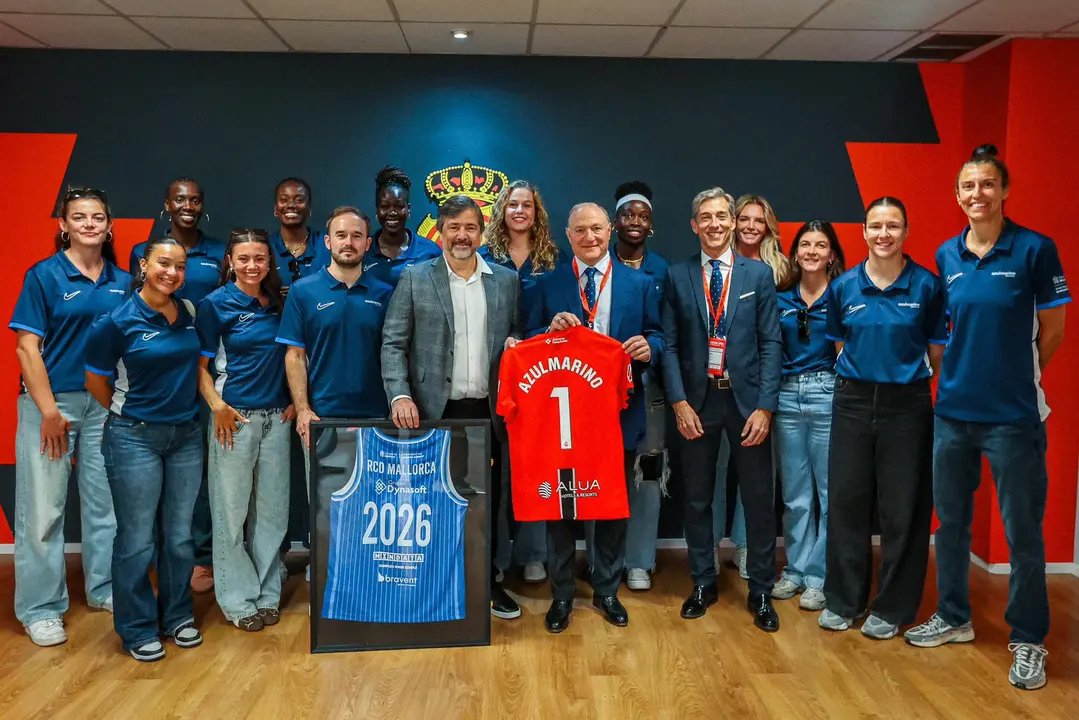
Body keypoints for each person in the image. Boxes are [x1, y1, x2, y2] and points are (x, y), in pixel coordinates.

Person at [905, 146, 1070, 691]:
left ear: (1004, 191)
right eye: (969, 186)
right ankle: (954, 618)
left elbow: (1053, 331)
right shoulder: (947, 254)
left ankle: (1028, 640)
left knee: (1023, 534)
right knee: (950, 526)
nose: (978, 194)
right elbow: (949, 333)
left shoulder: (1035, 250)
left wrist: (1017, 378)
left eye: (988, 185)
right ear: (958, 196)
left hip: (1014, 418)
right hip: (952, 412)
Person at [381, 195, 523, 621]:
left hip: (489, 412)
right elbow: (392, 343)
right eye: (453, 228)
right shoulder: (414, 278)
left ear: (482, 232)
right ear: (439, 232)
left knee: (489, 502)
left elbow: (514, 333)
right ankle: (436, 583)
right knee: (437, 501)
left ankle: (488, 582)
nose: (462, 235)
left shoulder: (505, 281)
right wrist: (399, 395)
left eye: (470, 227)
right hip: (433, 411)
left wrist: (516, 345)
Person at [526, 201, 663, 632]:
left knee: (610, 507)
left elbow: (659, 334)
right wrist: (546, 332)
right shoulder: (548, 285)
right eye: (580, 230)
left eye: (597, 229)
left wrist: (649, 347)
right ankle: (562, 595)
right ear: (568, 236)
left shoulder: (639, 283)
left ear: (610, 232)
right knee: (562, 509)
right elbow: (525, 337)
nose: (590, 237)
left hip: (617, 416)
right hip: (563, 419)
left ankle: (606, 590)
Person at [818, 196, 946, 640]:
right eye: (876, 226)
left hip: (906, 406)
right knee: (847, 504)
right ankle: (844, 599)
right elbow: (840, 348)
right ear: (864, 232)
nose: (884, 234)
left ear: (906, 232)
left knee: (902, 510)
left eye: (893, 226)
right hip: (852, 401)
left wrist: (900, 380)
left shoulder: (927, 286)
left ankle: (891, 607)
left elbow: (935, 353)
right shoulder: (844, 287)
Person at [9, 187, 130, 647]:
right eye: (78, 217)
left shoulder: (121, 280)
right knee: (44, 511)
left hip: (102, 406)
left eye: (97, 217)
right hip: (50, 406)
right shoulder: (44, 276)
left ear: (109, 226)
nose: (88, 224)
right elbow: (26, 348)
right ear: (63, 225)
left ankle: (103, 588)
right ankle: (40, 608)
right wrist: (48, 412)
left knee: (105, 506)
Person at [662, 187, 781, 632]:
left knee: (758, 500)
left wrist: (766, 408)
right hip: (698, 402)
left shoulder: (758, 275)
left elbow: (771, 343)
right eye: (704, 218)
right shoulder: (678, 275)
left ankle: (762, 591)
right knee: (696, 498)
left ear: (733, 222)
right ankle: (702, 582)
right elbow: (670, 346)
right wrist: (678, 402)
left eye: (721, 216)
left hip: (748, 403)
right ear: (694, 225)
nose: (713, 224)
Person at [85, 237, 205, 662]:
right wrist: (130, 413)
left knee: (178, 537)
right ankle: (136, 628)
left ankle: (176, 617)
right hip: (133, 437)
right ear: (143, 266)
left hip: (186, 437)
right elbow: (96, 381)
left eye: (179, 266)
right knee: (136, 539)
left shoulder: (188, 313)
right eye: (163, 264)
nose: (171, 273)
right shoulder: (116, 321)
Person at [129, 177, 225, 595]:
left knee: (198, 476)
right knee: (150, 480)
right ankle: (156, 558)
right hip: (154, 378)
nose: (188, 205)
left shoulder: (218, 252)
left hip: (201, 374)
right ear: (167, 205)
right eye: (180, 199)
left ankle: (200, 559)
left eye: (195, 200)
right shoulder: (144, 251)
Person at [196, 229, 294, 632]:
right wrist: (217, 406)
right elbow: (198, 368)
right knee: (231, 513)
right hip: (233, 421)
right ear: (230, 262)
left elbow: (293, 356)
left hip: (277, 420)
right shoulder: (214, 305)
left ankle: (268, 592)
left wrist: (293, 400)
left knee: (272, 514)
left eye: (260, 258)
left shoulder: (280, 303)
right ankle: (238, 599)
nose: (252, 265)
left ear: (269, 262)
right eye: (244, 259)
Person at [480, 179, 566, 584]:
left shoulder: (553, 259)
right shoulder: (483, 256)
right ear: (502, 210)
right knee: (496, 471)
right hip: (490, 374)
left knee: (535, 464)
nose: (519, 211)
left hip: (541, 378)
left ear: (537, 213)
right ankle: (494, 560)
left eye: (527, 205)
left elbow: (560, 319)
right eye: (512, 204)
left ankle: (533, 552)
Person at [770, 221, 845, 612]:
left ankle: (819, 576)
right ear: (795, 252)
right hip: (786, 395)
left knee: (829, 492)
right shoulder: (781, 298)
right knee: (796, 494)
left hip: (828, 392)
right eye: (805, 244)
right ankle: (795, 570)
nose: (812, 251)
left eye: (821, 245)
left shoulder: (844, 295)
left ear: (832, 254)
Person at [276, 206, 393, 451]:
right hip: (322, 418)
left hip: (377, 417)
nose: (348, 242)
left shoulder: (385, 293)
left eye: (356, 236)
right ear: (328, 242)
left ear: (368, 243)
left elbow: (396, 353)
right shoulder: (302, 291)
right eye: (341, 235)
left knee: (375, 489)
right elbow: (295, 355)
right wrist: (303, 410)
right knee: (322, 490)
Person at [719, 194, 788, 580]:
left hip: (762, 387)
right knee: (714, 472)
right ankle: (709, 546)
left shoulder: (781, 272)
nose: (749, 226)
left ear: (768, 226)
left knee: (757, 476)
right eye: (743, 218)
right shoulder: (717, 265)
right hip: (717, 384)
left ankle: (747, 548)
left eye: (758, 220)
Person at [608, 181, 669, 592]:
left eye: (642, 216)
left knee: (647, 474)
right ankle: (603, 561)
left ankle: (639, 561)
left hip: (650, 392)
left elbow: (669, 334)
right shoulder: (595, 263)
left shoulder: (663, 271)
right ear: (614, 222)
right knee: (603, 475)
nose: (635, 222)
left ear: (651, 225)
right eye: (628, 214)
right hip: (599, 394)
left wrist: (654, 347)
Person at [363, 165, 442, 288]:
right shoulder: (363, 251)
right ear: (377, 210)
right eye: (385, 207)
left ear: (408, 209)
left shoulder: (430, 252)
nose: (392, 212)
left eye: (399, 206)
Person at [269, 177, 328, 294]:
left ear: (309, 208)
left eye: (299, 200)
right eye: (284, 199)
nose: (291, 205)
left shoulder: (328, 244)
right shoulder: (264, 246)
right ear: (276, 209)